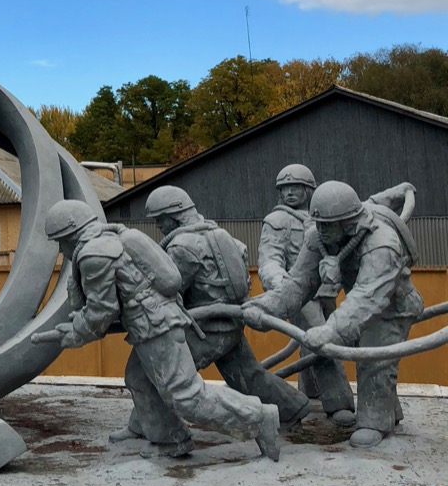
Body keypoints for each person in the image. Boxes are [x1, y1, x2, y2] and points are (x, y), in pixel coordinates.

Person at [37, 200, 281, 461]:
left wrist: (76, 333)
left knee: (186, 395)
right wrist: (80, 320)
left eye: (60, 241)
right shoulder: (113, 237)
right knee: (139, 378)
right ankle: (169, 439)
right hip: (156, 321)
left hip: (155, 327)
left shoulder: (94, 254)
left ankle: (259, 418)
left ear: (71, 234)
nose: (61, 249)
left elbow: (102, 310)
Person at [244, 180, 423, 448]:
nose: (321, 230)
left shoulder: (382, 243)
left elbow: (367, 297)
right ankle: (389, 411)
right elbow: (298, 284)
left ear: (348, 223)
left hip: (392, 306)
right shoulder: (318, 237)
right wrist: (266, 307)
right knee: (369, 348)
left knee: (374, 354)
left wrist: (330, 331)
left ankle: (375, 421)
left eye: (327, 225)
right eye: (319, 224)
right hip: (360, 303)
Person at [144, 186, 309, 428]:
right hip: (230, 323)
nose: (159, 226)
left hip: (205, 330)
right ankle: (292, 409)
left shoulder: (182, 247)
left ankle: (158, 431)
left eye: (160, 220)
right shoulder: (221, 234)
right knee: (247, 375)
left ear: (174, 215)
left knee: (158, 372)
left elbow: (170, 291)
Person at [258, 164, 355, 426]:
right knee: (323, 342)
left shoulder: (323, 217)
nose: (289, 192)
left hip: (327, 291)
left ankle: (310, 390)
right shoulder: (277, 221)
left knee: (312, 340)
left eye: (295, 187)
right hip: (300, 294)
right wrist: (281, 286)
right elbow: (269, 259)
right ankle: (338, 403)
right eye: (284, 188)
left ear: (309, 190)